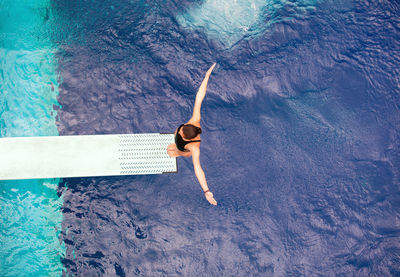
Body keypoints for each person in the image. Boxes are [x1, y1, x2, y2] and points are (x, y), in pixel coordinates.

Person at [167, 63, 217, 206]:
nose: (180, 131)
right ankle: (175, 147)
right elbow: (199, 96)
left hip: (184, 150)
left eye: (181, 134)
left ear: (190, 138)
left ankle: (177, 151)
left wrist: (206, 191)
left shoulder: (194, 147)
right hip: (182, 142)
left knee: (179, 151)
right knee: (173, 142)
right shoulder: (195, 120)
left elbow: (198, 169)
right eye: (182, 130)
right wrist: (206, 76)